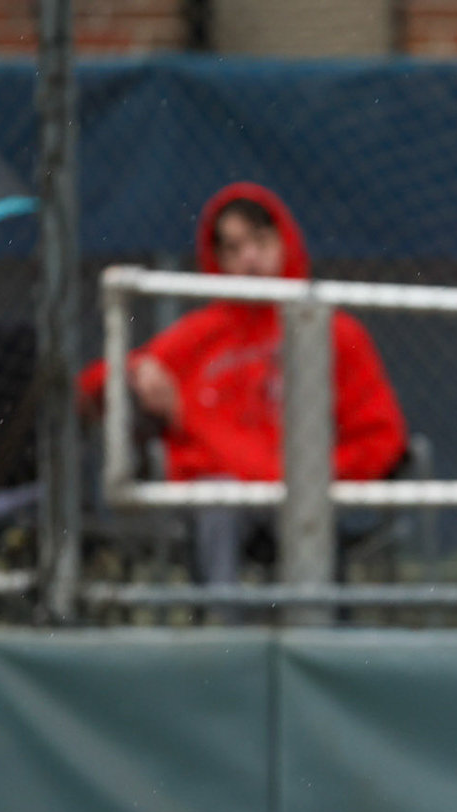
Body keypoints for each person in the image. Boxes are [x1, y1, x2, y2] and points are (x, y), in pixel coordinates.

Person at [79, 181, 408, 585]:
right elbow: (92, 384)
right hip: (226, 501)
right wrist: (137, 375)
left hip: (302, 497)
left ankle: (316, 634)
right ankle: (224, 634)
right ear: (217, 260)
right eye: (233, 249)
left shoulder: (333, 332)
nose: (249, 258)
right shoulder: (201, 334)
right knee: (219, 499)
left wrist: (318, 478)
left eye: (260, 241)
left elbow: (381, 435)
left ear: (285, 241)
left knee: (303, 517)